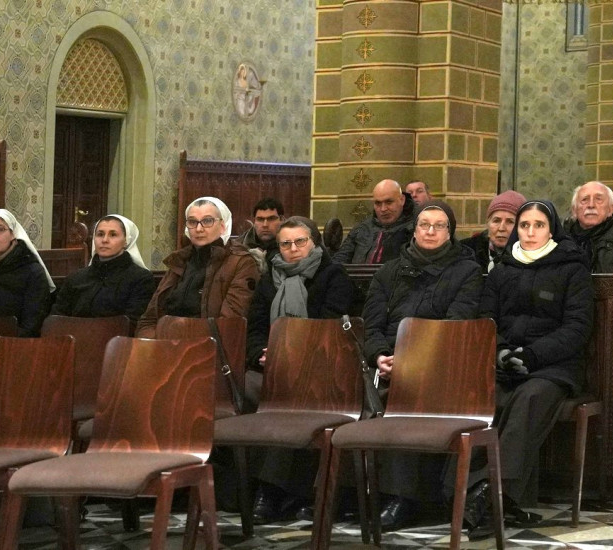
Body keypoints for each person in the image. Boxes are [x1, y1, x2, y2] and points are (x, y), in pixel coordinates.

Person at [467, 200, 594, 538]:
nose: (530, 232)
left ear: (551, 230)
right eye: (524, 225)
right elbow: (486, 320)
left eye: (539, 225)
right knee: (484, 400)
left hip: (554, 366)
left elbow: (577, 328)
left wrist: (534, 355)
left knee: (529, 399)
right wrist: (500, 353)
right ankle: (468, 492)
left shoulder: (572, 269)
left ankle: (490, 495)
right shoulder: (503, 269)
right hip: (506, 363)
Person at [362, 200, 483, 531]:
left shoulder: (467, 272)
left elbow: (456, 326)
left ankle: (402, 498)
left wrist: (411, 360)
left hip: (439, 363)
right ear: (413, 230)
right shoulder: (389, 271)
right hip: (387, 362)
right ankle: (348, 493)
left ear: (450, 232)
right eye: (424, 225)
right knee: (343, 392)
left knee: (408, 396)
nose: (430, 231)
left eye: (439, 226)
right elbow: (371, 326)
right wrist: (379, 355)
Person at [246, 217, 358, 523]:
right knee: (247, 392)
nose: (293, 249)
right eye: (285, 243)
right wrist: (261, 354)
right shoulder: (270, 278)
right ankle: (251, 489)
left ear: (314, 243)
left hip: (323, 363)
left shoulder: (333, 276)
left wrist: (294, 354)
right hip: (275, 365)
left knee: (292, 396)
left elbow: (332, 327)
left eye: (300, 242)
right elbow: (255, 327)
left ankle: (273, 490)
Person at [136, 196, 260, 337]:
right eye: (192, 222)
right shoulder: (180, 260)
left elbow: (229, 324)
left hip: (208, 344)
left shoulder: (241, 263)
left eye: (207, 221)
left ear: (223, 226)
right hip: (165, 342)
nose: (199, 228)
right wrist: (152, 342)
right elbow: (149, 319)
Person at [50, 215, 155, 326]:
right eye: (100, 234)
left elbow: (132, 322)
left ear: (126, 241)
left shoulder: (141, 279)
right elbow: (56, 319)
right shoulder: (75, 278)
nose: (104, 240)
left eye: (113, 235)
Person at [331, 179, 416, 264]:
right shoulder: (362, 228)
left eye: (389, 202)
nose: (383, 209)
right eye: (378, 203)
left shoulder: (416, 228)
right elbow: (340, 259)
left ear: (402, 200)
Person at [460, 190, 527, 273]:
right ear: (488, 223)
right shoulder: (465, 252)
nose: (501, 228)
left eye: (510, 222)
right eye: (496, 221)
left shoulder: (531, 258)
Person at [237, 197, 284, 273]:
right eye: (260, 219)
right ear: (254, 221)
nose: (265, 225)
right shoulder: (239, 247)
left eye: (271, 219)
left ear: (281, 219)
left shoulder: (292, 245)